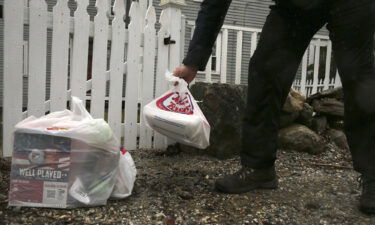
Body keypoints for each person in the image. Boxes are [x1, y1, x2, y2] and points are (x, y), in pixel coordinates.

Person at [173, 0, 375, 214]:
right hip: (296, 5)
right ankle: (258, 167)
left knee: (359, 78)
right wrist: (193, 61)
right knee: (266, 68)